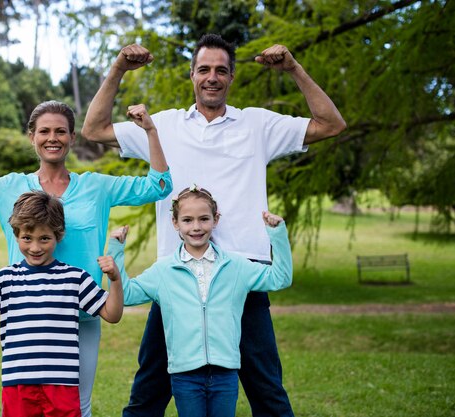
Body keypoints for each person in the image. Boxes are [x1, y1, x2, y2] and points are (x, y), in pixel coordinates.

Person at [81, 34, 346, 416]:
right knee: (148, 392)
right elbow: (94, 129)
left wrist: (293, 68)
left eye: (221, 70)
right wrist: (119, 67)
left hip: (242, 271)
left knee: (267, 392)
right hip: (177, 274)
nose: (212, 77)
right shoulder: (164, 126)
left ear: (231, 77)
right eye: (204, 69)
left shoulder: (257, 124)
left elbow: (331, 124)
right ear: (192, 75)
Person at [0, 100, 172, 417]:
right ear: (32, 136)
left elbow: (159, 185)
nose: (53, 138)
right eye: (44, 131)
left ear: (72, 137)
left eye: (61, 131)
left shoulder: (97, 186)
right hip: (30, 320)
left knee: (78, 407)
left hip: (85, 313)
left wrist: (150, 131)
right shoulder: (9, 187)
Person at [98, 186, 293, 417]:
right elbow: (127, 295)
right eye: (188, 220)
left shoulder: (237, 266)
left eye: (204, 219)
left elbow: (280, 278)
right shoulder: (164, 271)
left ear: (216, 219)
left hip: (226, 373)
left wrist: (277, 236)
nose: (196, 227)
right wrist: (116, 252)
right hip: (184, 375)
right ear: (175, 223)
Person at [0, 190, 124, 417]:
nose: (35, 247)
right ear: (16, 235)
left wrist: (114, 280)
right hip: (18, 384)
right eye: (27, 238)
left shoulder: (75, 278)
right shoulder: (5, 279)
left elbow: (112, 314)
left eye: (44, 238)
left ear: (58, 236)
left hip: (62, 385)